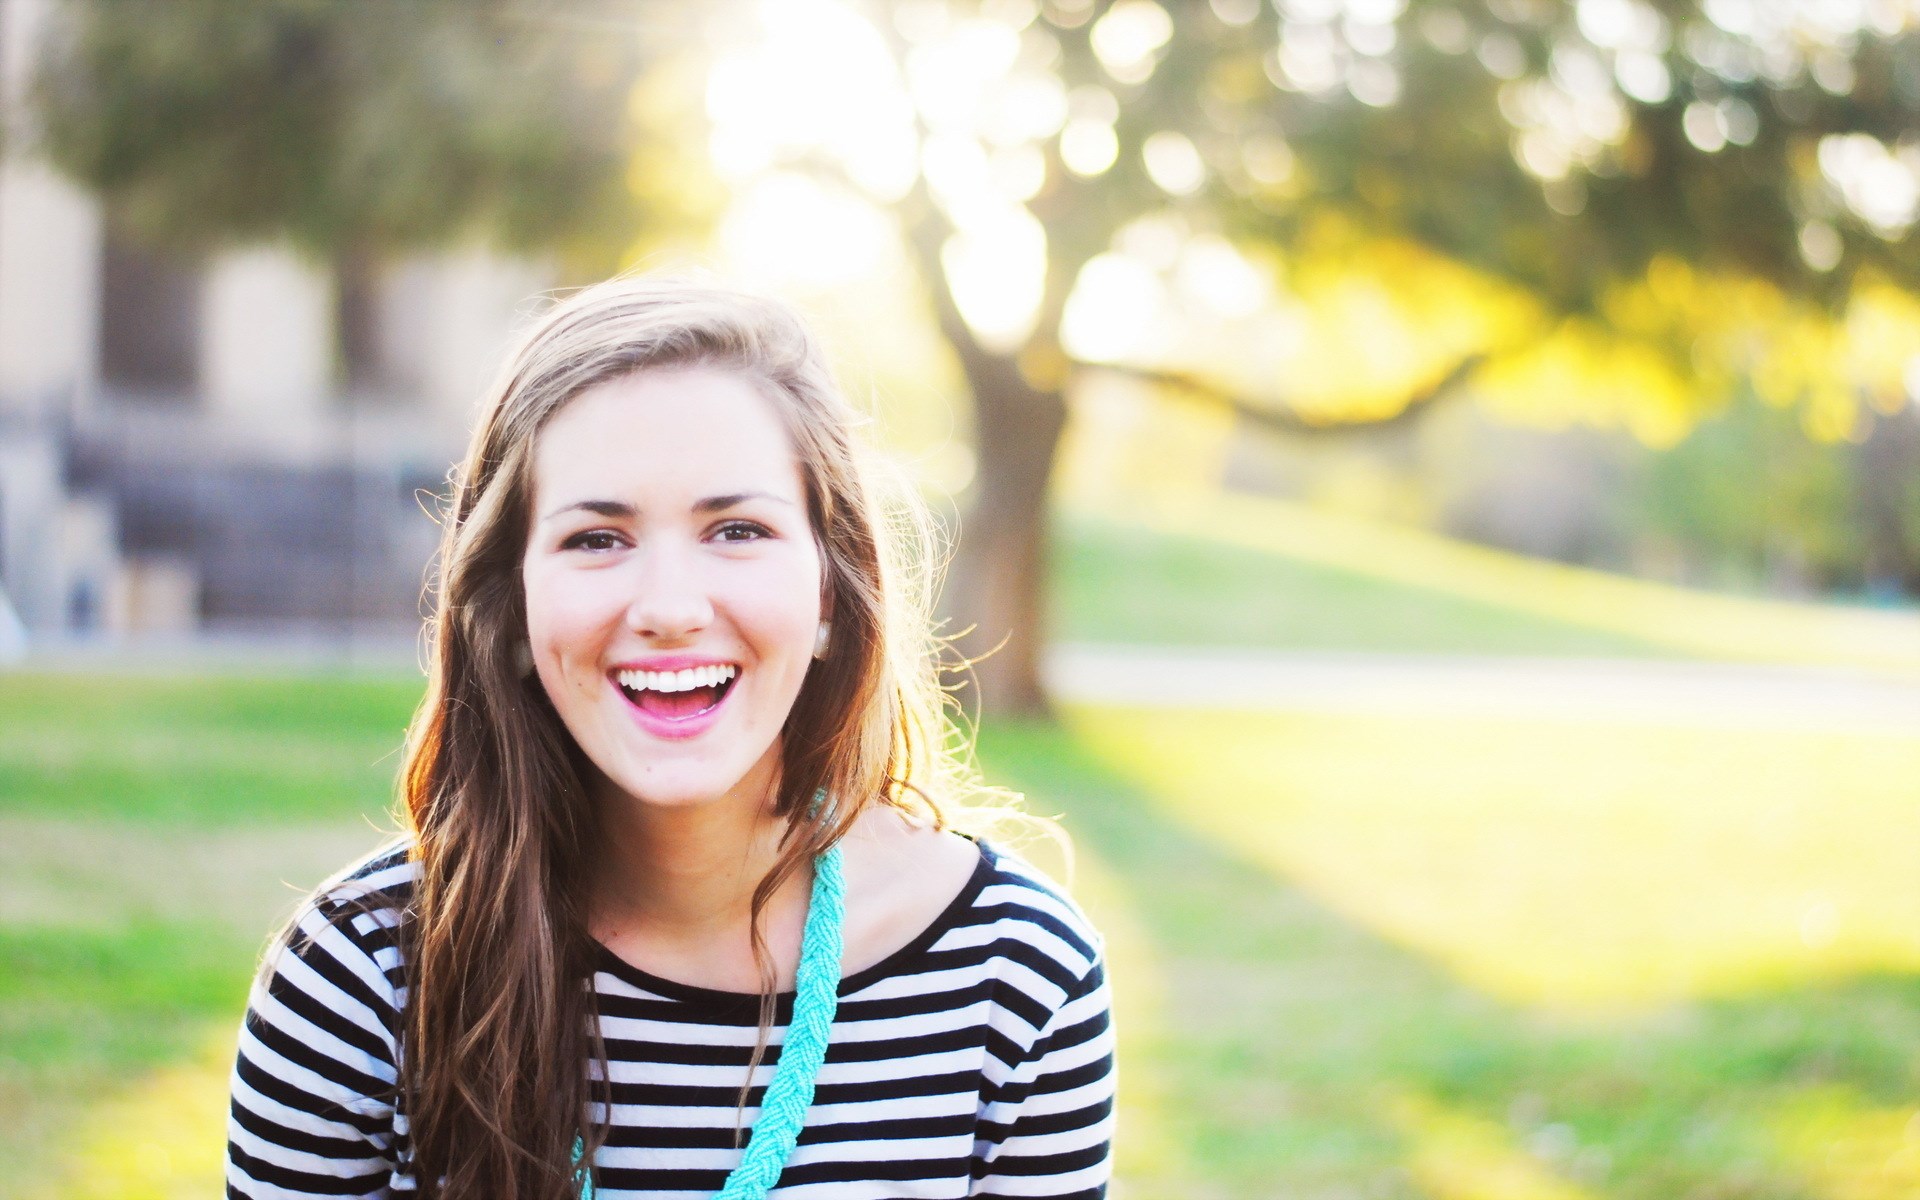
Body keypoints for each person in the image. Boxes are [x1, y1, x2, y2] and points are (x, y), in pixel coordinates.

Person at [224, 276, 1116, 1200]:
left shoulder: (1018, 973)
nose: (669, 609)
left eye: (737, 529)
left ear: (828, 592)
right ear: (512, 603)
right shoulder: (360, 977)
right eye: (597, 539)